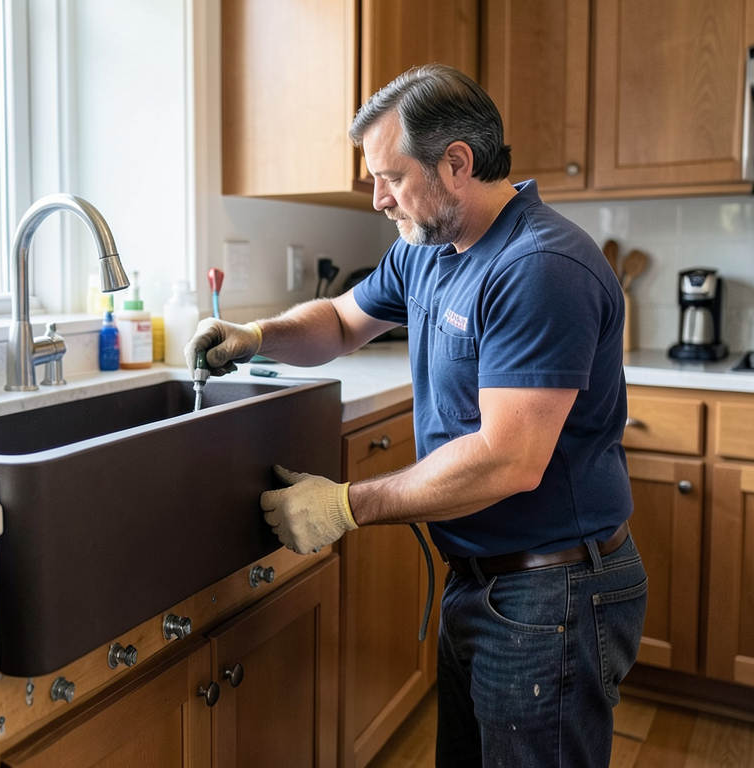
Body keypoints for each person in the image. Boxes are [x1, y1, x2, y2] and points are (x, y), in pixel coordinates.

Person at [185, 64, 647, 767]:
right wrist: (256, 335)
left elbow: (507, 460)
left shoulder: (539, 266)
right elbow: (342, 320)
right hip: (482, 581)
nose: (377, 198)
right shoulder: (428, 249)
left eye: (391, 177)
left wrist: (345, 505)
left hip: (553, 593)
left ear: (456, 163)